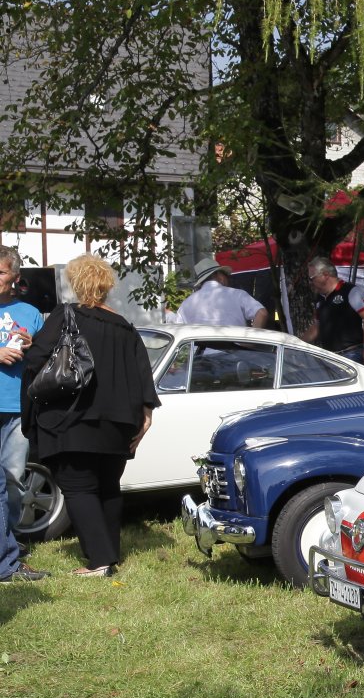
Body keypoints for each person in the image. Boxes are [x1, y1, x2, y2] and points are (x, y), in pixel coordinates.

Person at [21, 255, 158, 577]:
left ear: (75, 283)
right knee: (108, 487)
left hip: (73, 419)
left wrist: (31, 346)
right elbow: (143, 376)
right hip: (119, 422)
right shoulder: (124, 326)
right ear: (107, 285)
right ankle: (109, 554)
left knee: (78, 487)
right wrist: (146, 417)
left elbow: (36, 361)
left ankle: (99, 561)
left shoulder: (65, 314)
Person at [0, 244, 44, 537]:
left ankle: (8, 541)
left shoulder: (30, 313)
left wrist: (33, 346)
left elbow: (47, 357)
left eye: (0, 272)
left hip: (18, 407)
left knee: (14, 478)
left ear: (15, 277)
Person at [301, 257, 364, 365]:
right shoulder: (320, 298)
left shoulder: (350, 291)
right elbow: (316, 327)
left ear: (325, 275)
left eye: (312, 278)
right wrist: (296, 343)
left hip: (351, 354)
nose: (310, 282)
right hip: (330, 357)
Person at [174, 257, 269, 329]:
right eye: (226, 275)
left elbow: (178, 329)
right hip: (235, 349)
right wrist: (251, 342)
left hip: (200, 350)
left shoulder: (186, 304)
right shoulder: (238, 295)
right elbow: (262, 313)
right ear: (220, 276)